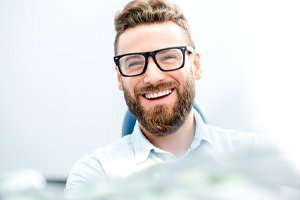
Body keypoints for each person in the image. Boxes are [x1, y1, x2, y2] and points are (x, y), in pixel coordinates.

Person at [64, 0, 285, 197]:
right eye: (134, 63)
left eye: (169, 57)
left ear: (196, 66)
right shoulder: (95, 175)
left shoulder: (258, 156)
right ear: (120, 78)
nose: (152, 77)